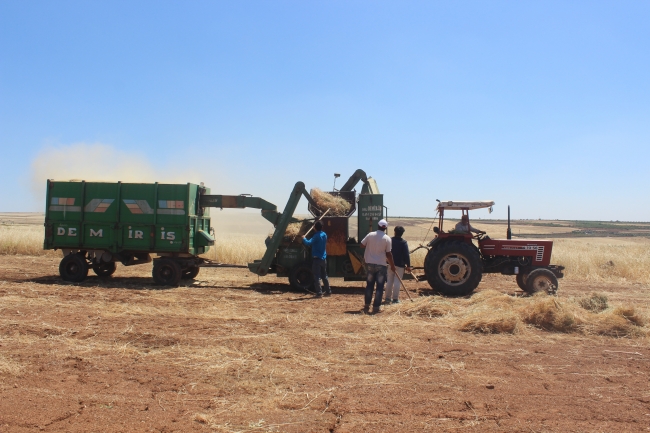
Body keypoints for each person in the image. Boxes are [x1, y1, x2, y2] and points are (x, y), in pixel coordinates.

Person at [360, 219, 396, 314]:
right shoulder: (387, 238)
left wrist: (370, 245)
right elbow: (389, 254)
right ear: (385, 228)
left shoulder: (370, 235)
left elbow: (362, 245)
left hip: (370, 264)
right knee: (379, 287)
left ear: (378, 226)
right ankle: (376, 307)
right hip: (381, 265)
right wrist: (392, 265)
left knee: (369, 285)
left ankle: (367, 304)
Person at [301, 221, 331, 298]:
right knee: (324, 275)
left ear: (315, 228)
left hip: (317, 259)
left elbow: (308, 243)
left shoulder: (316, 236)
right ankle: (328, 291)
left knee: (316, 276)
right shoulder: (324, 235)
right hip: (323, 258)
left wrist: (304, 238)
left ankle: (319, 293)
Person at [385, 226, 411, 304]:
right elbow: (406, 255)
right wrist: (408, 265)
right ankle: (395, 299)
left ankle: (387, 298)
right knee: (397, 282)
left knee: (389, 280)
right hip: (400, 265)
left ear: (394, 232)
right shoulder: (404, 242)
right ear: (402, 233)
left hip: (390, 263)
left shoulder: (390, 240)